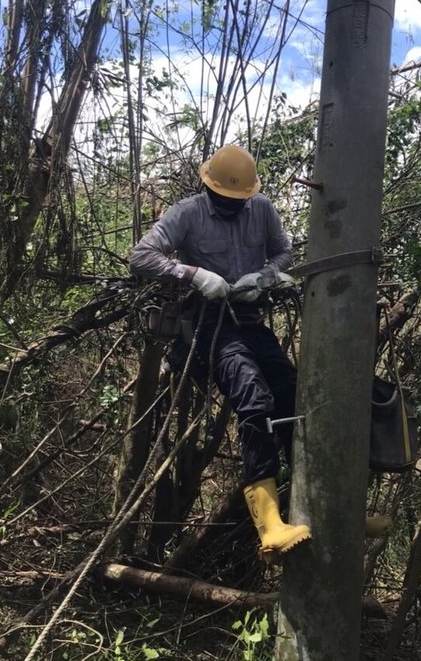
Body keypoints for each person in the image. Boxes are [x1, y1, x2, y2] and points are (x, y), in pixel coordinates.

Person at [130, 145, 311, 561]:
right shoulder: (188, 212)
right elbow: (141, 255)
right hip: (209, 322)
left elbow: (284, 252)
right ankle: (268, 523)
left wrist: (264, 277)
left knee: (290, 394)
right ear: (207, 187)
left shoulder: (261, 208)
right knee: (254, 396)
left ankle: (316, 504)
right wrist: (191, 273)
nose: (231, 207)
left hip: (248, 315)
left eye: (239, 201)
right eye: (224, 200)